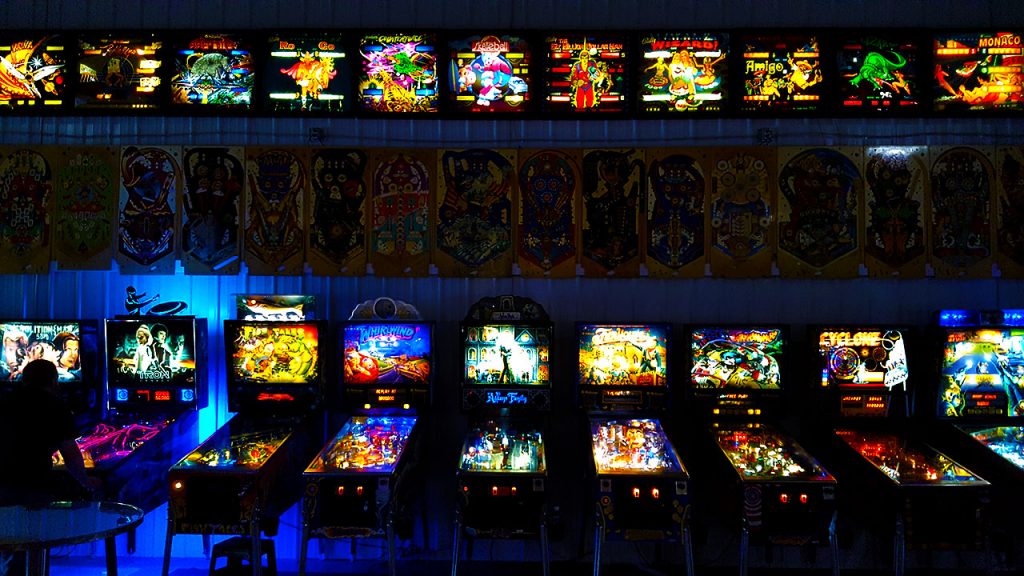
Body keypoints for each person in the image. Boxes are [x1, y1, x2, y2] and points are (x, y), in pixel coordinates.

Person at [0, 359, 99, 506]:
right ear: (53, 381)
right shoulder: (55, 405)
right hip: (34, 483)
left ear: (24, 379)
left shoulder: (6, 401)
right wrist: (85, 481)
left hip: (4, 482)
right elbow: (70, 453)